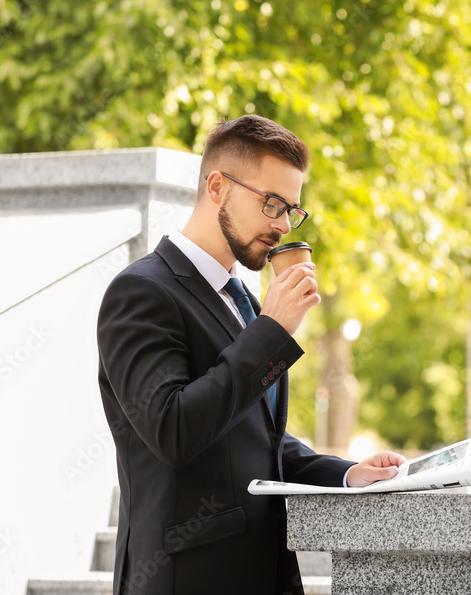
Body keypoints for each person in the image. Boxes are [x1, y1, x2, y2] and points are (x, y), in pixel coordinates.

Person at [97, 114, 406, 595]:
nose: (283, 225)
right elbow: (173, 430)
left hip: (264, 571)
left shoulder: (243, 301)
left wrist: (345, 473)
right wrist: (271, 330)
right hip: (186, 578)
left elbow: (253, 437)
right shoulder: (140, 292)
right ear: (217, 186)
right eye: (271, 203)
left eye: (291, 210)